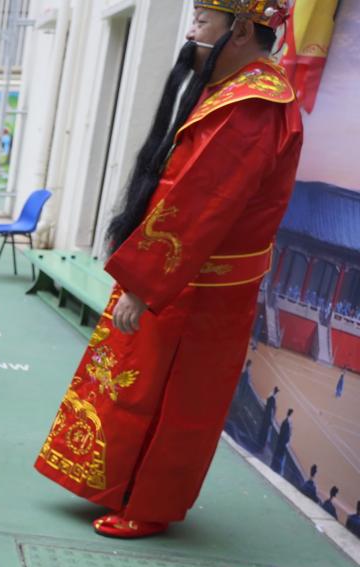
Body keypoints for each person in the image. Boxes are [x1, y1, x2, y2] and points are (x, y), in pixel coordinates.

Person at [35, 0, 302, 539]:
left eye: (202, 21)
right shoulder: (234, 90)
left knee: (175, 398)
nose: (190, 32)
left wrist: (144, 284)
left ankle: (148, 504)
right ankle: (116, 484)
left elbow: (203, 202)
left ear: (241, 29)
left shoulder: (252, 104)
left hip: (197, 283)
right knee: (139, 383)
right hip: (181, 271)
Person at [270, 408, 293, 475]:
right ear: (290, 415)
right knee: (280, 458)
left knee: (279, 457)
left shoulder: (286, 422)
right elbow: (284, 435)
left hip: (282, 444)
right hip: (282, 444)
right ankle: (277, 470)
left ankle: (276, 468)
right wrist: (286, 443)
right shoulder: (286, 423)